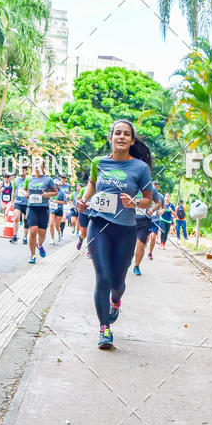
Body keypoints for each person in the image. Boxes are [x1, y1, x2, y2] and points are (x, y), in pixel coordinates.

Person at [78, 119, 152, 349]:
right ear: (110, 138)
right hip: (98, 224)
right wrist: (84, 200)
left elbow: (148, 199)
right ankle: (104, 328)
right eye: (117, 133)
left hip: (125, 230)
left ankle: (116, 300)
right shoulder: (99, 163)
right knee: (103, 278)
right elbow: (92, 184)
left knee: (118, 282)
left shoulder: (140, 168)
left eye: (126, 134)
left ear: (131, 140)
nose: (121, 137)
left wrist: (135, 202)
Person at [24, 158, 57, 264]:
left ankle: (40, 245)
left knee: (42, 234)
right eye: (35, 164)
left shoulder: (48, 180)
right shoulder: (29, 179)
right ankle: (32, 255)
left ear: (43, 167)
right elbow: (25, 190)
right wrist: (26, 194)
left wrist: (48, 195)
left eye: (39, 164)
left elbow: (55, 192)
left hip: (44, 209)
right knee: (32, 231)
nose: (37, 166)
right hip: (32, 207)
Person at [132, 183, 162, 275]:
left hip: (144, 221)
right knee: (128, 245)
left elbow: (159, 203)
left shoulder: (151, 189)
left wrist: (152, 210)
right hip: (129, 219)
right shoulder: (130, 184)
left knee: (141, 244)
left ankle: (136, 266)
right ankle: (126, 261)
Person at [10, 164, 29, 244]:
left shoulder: (28, 180)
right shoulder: (16, 180)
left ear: (26, 171)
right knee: (16, 217)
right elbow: (13, 191)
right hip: (18, 202)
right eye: (20, 170)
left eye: (23, 170)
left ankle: (25, 237)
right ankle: (14, 236)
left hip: (27, 203)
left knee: (26, 220)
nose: (21, 172)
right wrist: (12, 201)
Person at [76, 175, 90, 252]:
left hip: (93, 214)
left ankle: (90, 250)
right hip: (84, 214)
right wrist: (82, 204)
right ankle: (81, 239)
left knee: (91, 232)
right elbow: (77, 200)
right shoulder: (83, 190)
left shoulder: (99, 190)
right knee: (84, 233)